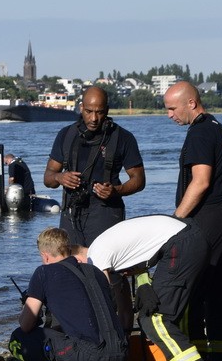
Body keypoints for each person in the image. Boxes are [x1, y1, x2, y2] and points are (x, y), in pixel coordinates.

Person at [79, 214, 220, 361]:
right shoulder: (108, 252)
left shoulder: (95, 257)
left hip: (179, 244)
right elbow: (123, 303)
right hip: (189, 238)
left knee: (155, 319)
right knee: (176, 315)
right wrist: (125, 332)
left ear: (78, 259)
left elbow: (105, 305)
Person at [163, 81, 222, 361]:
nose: (168, 115)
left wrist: (176, 220)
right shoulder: (216, 127)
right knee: (219, 286)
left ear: (191, 103)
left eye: (171, 108)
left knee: (193, 288)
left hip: (207, 217)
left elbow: (201, 181)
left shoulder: (199, 132)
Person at [8, 227, 128, 361]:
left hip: (89, 359)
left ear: (45, 255)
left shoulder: (43, 273)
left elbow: (26, 324)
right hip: (121, 354)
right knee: (83, 336)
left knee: (20, 339)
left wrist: (27, 304)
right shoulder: (94, 271)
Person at [43, 86, 145, 246]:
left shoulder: (124, 138)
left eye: (99, 112)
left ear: (107, 110)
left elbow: (139, 180)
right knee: (70, 266)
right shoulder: (66, 135)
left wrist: (116, 190)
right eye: (89, 111)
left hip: (106, 212)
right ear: (81, 108)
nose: (94, 118)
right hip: (71, 212)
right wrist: (59, 177)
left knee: (101, 266)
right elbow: (48, 178)